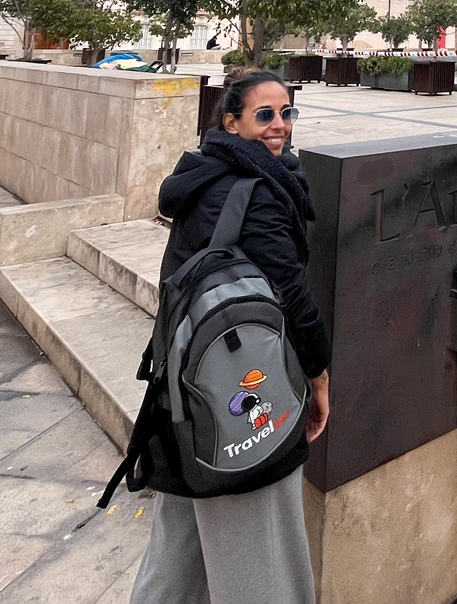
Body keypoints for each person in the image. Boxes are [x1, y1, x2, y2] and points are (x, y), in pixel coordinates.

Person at [131, 70, 329, 604]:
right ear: (231, 121)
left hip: (182, 384)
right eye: (264, 115)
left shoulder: (201, 174)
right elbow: (291, 294)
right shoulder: (258, 191)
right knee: (262, 551)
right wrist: (320, 374)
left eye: (287, 113)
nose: (279, 126)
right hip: (235, 399)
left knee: (179, 549)